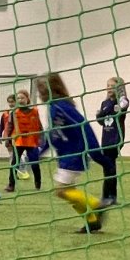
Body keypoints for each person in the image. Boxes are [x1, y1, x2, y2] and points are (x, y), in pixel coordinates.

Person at [35, 73, 107, 233]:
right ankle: (92, 221)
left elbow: (83, 125)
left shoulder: (62, 106)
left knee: (61, 192)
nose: (39, 93)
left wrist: (95, 151)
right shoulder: (54, 106)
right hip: (66, 156)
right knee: (69, 191)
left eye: (41, 89)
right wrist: (41, 151)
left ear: (51, 88)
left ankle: (96, 204)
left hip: (74, 155)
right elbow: (53, 133)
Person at [95, 77, 128, 206]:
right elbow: (102, 121)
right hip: (106, 138)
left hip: (116, 138)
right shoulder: (105, 103)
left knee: (108, 167)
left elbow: (122, 106)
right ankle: (112, 196)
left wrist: (102, 113)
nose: (109, 88)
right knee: (109, 167)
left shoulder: (121, 101)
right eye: (107, 85)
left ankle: (106, 196)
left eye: (112, 86)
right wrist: (99, 116)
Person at [4, 90, 43, 193]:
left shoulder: (34, 111)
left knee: (35, 163)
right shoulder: (14, 112)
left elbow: (39, 125)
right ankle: (11, 185)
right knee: (14, 163)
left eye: (22, 98)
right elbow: (10, 126)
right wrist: (8, 139)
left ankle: (38, 184)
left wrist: (42, 137)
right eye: (18, 98)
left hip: (31, 141)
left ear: (27, 99)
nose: (20, 100)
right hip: (19, 141)